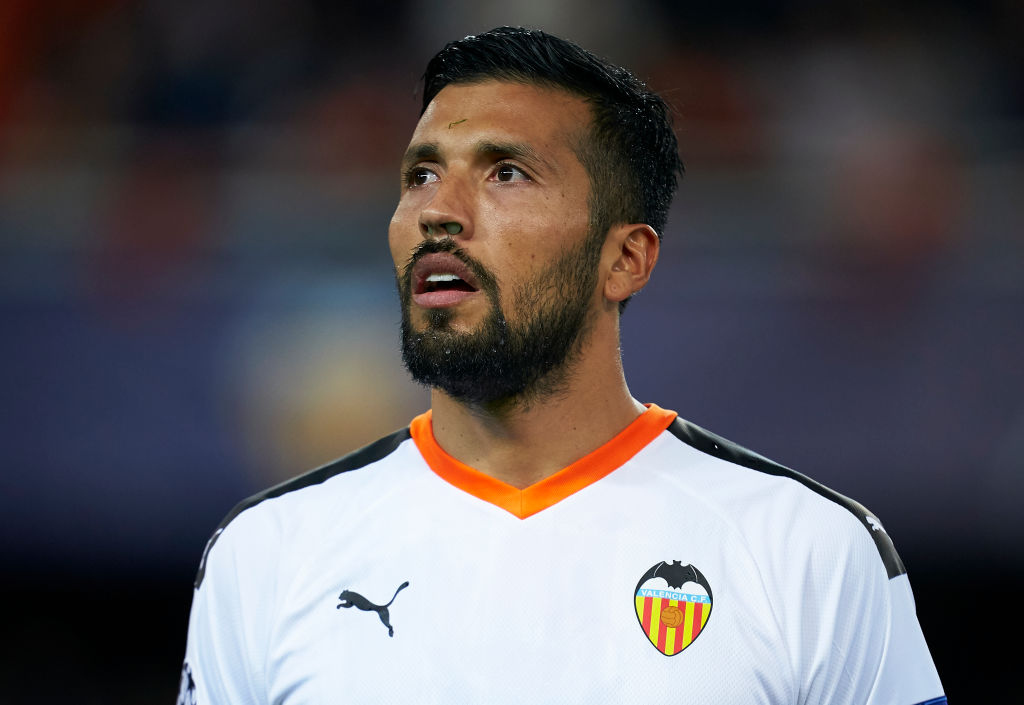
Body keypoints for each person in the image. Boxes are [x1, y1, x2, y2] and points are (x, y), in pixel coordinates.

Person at [179, 26, 945, 704]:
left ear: (626, 259)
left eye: (506, 173)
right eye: (421, 174)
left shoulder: (809, 552)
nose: (439, 210)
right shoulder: (265, 553)